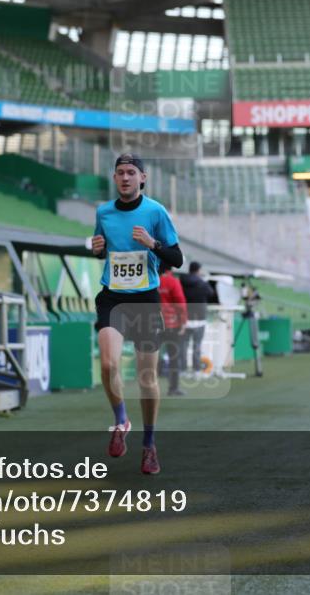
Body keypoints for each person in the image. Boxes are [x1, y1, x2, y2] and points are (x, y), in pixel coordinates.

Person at [91, 153, 182, 475]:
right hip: (112, 298)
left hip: (145, 300)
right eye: (119, 173)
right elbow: (102, 248)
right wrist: (98, 249)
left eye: (131, 173)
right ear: (114, 178)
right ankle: (120, 420)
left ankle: (149, 445)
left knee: (147, 378)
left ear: (143, 178)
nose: (125, 178)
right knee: (108, 363)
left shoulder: (155, 211)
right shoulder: (103, 212)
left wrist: (153, 243)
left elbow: (177, 257)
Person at [157, 261, 188, 396]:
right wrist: (183, 322)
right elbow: (180, 303)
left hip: (153, 324)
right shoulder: (173, 281)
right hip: (171, 325)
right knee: (174, 357)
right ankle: (173, 388)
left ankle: (149, 387)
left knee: (150, 357)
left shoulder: (151, 280)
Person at [179, 261, 212, 376]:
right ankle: (196, 370)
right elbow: (210, 293)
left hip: (185, 318)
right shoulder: (202, 282)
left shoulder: (181, 281)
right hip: (200, 318)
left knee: (183, 345)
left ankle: (182, 370)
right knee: (197, 345)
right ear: (198, 270)